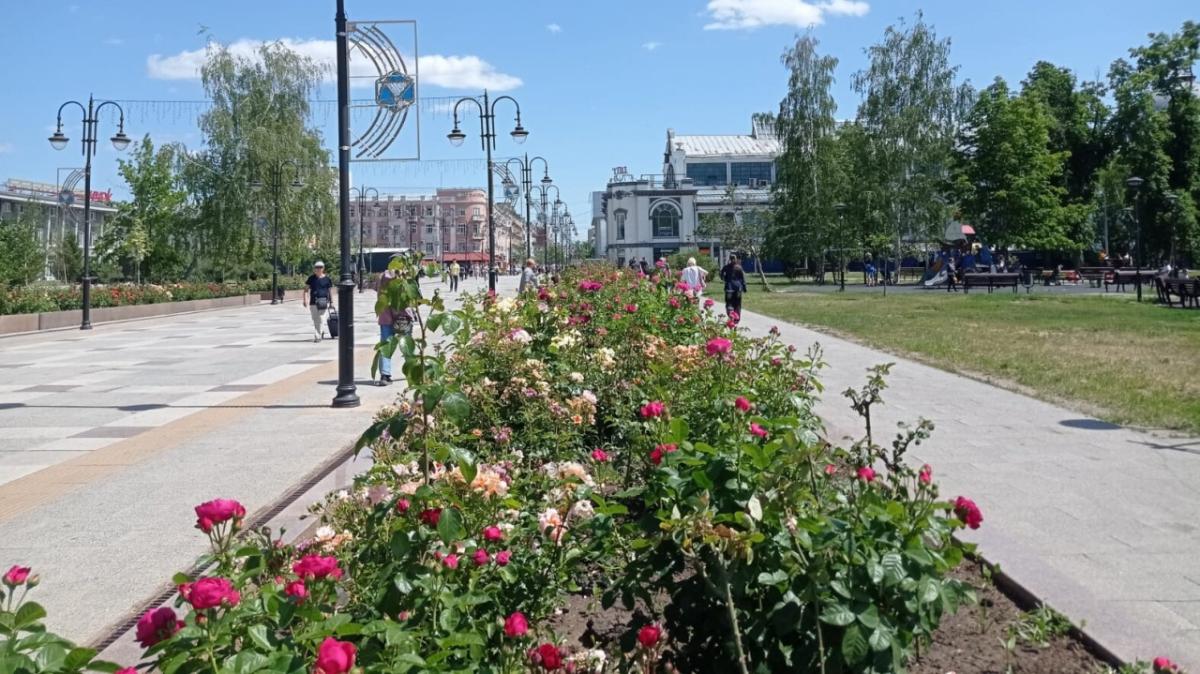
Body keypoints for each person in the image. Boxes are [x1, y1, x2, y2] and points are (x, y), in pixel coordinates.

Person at [374, 260, 403, 386]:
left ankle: (385, 375)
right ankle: (415, 372)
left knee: (385, 345)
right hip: (403, 316)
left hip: (385, 315)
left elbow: (378, 293)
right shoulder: (403, 276)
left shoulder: (381, 277)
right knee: (407, 343)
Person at [303, 261, 335, 342]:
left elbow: (330, 291)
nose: (318, 269)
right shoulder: (311, 278)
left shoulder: (327, 279)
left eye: (320, 267)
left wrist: (331, 302)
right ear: (314, 269)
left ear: (323, 268)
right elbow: (306, 290)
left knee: (321, 318)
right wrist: (305, 299)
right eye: (317, 267)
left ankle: (318, 336)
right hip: (313, 302)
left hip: (323, 301)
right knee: (315, 319)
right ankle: (321, 331)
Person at [720, 254, 747, 323]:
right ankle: (737, 318)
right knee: (737, 303)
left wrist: (724, 278)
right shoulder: (739, 267)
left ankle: (731, 315)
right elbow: (743, 278)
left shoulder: (726, 267)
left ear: (729, 259)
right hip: (738, 288)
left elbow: (721, 274)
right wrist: (744, 287)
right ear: (736, 259)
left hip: (729, 288)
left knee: (729, 302)